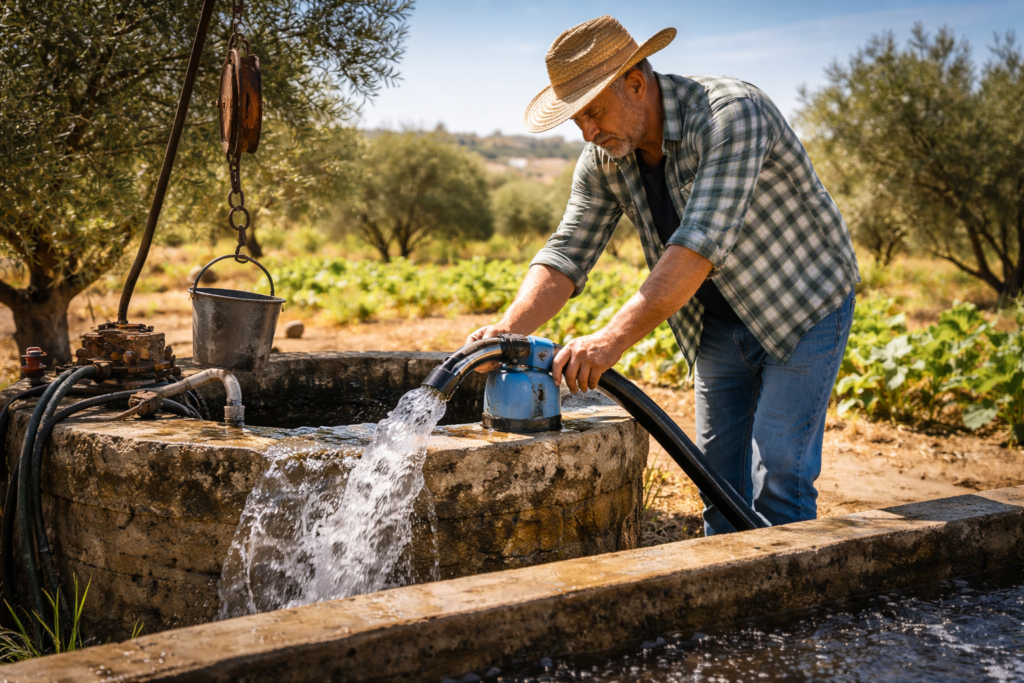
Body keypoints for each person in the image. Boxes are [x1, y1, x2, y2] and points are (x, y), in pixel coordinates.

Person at [466, 15, 859, 535]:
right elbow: (567, 252)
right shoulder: (604, 156)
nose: (587, 132)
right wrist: (509, 328)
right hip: (717, 319)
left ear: (636, 83)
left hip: (802, 304)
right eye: (577, 120)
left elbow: (698, 247)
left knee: (781, 472)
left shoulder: (731, 114)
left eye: (595, 113)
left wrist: (610, 340)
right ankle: (728, 603)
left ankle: (789, 608)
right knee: (717, 480)